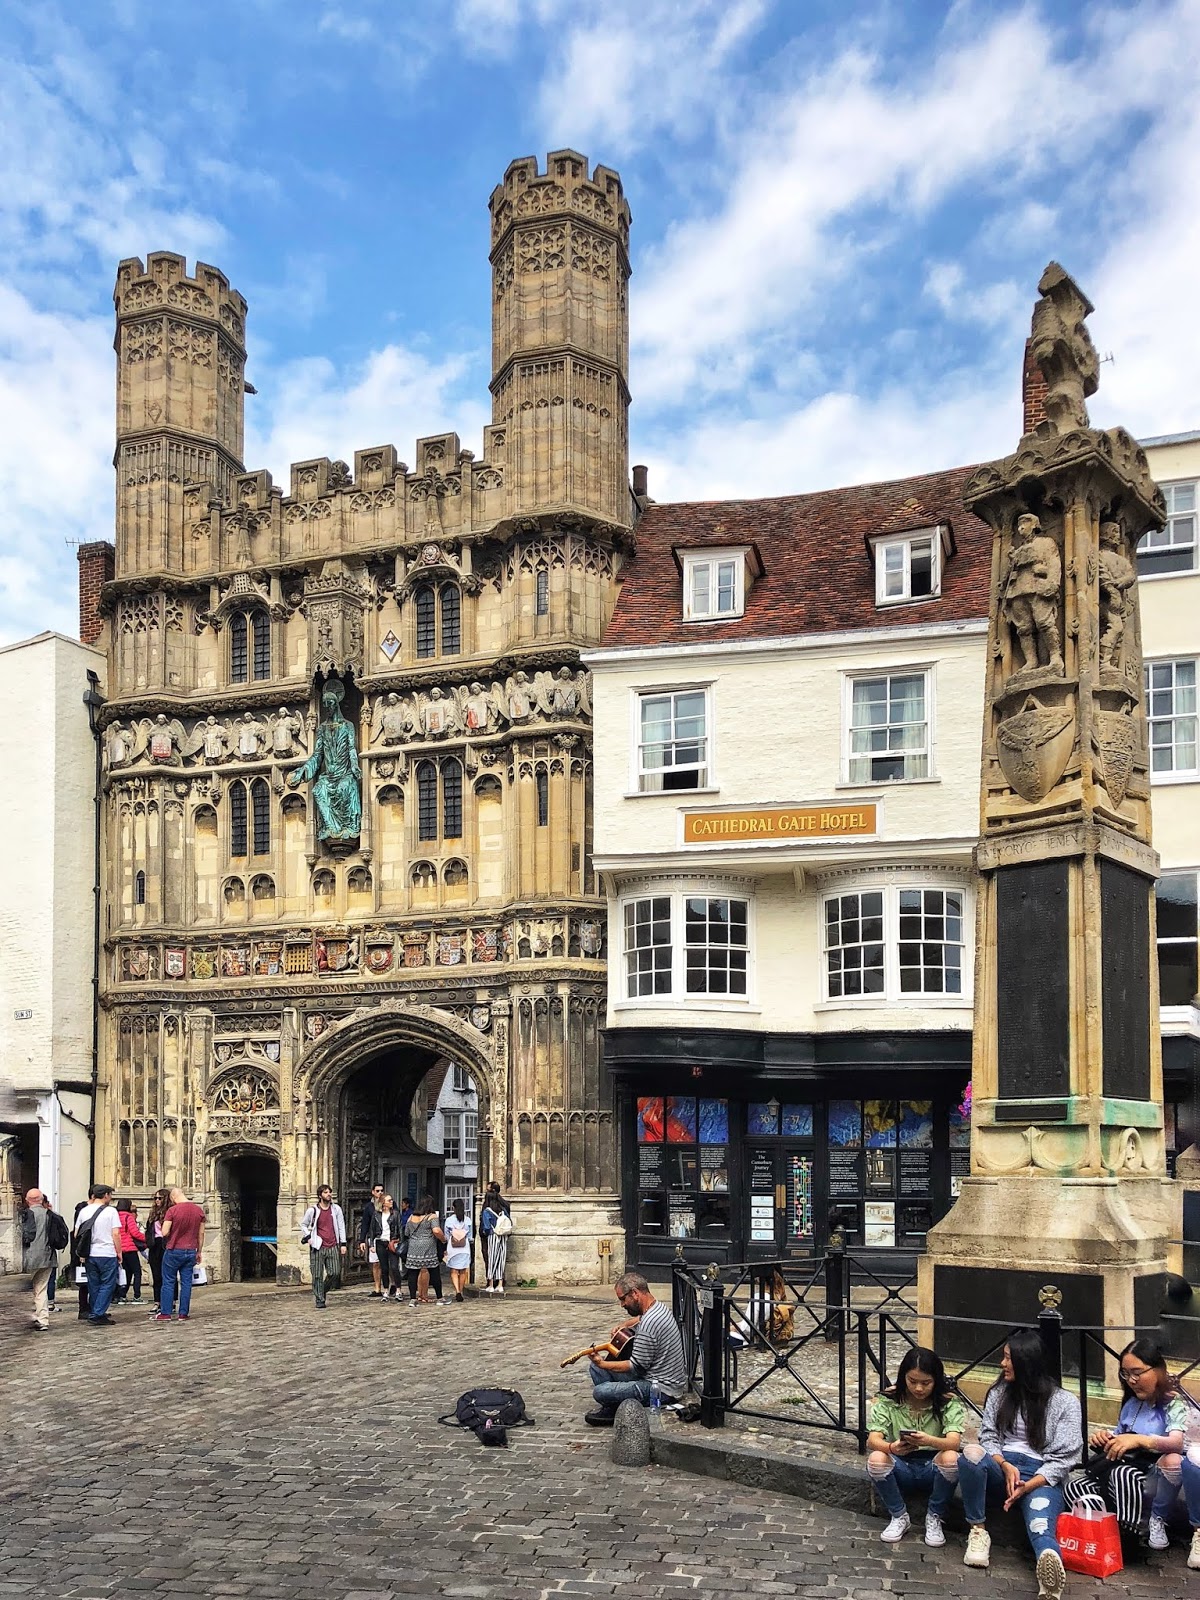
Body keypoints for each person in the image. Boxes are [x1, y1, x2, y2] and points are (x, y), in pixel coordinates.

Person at [957, 1329, 1082, 1598]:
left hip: (1040, 1475)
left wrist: (1029, 1485)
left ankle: (1048, 1562)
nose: (1002, 1365)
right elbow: (988, 1435)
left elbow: (1065, 1457)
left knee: (1040, 1521)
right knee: (970, 1455)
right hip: (1001, 1467)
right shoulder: (999, 1393)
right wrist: (1003, 1464)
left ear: (1027, 1362)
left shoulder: (1065, 1402)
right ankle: (978, 1531)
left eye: (1008, 1359)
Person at [1063, 1337, 1185, 1547]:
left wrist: (1140, 1440)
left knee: (1123, 1475)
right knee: (1075, 1486)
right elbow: (1120, 1434)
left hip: (1153, 1475)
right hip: (1118, 1470)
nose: (1131, 1380)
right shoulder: (1131, 1404)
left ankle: (1128, 1537)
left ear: (1157, 1370)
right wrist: (1106, 1438)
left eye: (1137, 1373)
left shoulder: (1172, 1403)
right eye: (1125, 1374)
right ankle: (1101, 1534)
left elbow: (1177, 1443)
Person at [866, 1346, 965, 1546]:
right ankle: (899, 1515)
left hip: (933, 1466)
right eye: (912, 1381)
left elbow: (954, 1442)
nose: (919, 1388)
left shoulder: (948, 1403)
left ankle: (935, 1516)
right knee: (876, 1458)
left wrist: (929, 1440)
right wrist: (892, 1447)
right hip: (901, 1463)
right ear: (903, 1377)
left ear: (936, 1381)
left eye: (926, 1383)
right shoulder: (889, 1400)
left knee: (951, 1458)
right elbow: (872, 1440)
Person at [584, 1271, 687, 1427]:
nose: (622, 1304)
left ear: (635, 1293)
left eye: (623, 1299)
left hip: (661, 1389)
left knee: (600, 1391)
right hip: (656, 1378)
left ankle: (615, 1409)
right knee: (595, 1369)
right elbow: (640, 1318)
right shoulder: (657, 1308)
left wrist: (604, 1364)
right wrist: (625, 1324)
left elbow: (635, 1367)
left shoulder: (649, 1324)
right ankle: (615, 1407)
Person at [156, 1187, 206, 1324]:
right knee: (186, 1283)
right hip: (190, 1250)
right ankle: (183, 1313)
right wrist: (199, 1251)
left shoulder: (172, 1211)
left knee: (168, 1281)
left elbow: (165, 1232)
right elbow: (201, 1234)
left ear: (173, 1198)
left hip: (174, 1249)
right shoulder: (198, 1211)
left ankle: (165, 1312)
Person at [21, 1188, 67, 1332]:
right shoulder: (52, 1215)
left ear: (28, 1200)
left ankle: (31, 1317)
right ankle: (42, 1320)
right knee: (41, 1289)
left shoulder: (24, 1216)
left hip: (27, 1258)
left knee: (22, 1291)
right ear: (42, 1200)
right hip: (47, 1257)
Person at [82, 1184, 123, 1327]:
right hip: (106, 1252)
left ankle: (97, 1310)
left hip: (90, 1253)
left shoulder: (84, 1211)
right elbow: (116, 1233)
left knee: (94, 1284)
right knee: (108, 1284)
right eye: (110, 1195)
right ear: (105, 1195)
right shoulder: (111, 1211)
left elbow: (77, 1233)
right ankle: (97, 1313)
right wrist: (119, 1251)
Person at [301, 1184, 346, 1309]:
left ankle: (322, 1291)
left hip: (332, 1244)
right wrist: (309, 1237)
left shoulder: (336, 1209)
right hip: (318, 1246)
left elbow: (341, 1226)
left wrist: (343, 1243)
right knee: (317, 1274)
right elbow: (303, 1224)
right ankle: (320, 1299)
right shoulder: (313, 1210)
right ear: (320, 1195)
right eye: (326, 1192)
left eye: (330, 1192)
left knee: (335, 1272)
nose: (329, 1195)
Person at [404, 1194, 445, 1304]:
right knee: (434, 1271)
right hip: (428, 1247)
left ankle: (413, 1298)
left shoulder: (411, 1217)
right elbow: (436, 1230)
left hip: (413, 1248)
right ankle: (440, 1298)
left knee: (413, 1273)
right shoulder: (432, 1217)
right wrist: (443, 1239)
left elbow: (406, 1232)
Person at [114, 1198, 146, 1305]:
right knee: (137, 1272)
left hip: (119, 1249)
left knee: (125, 1273)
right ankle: (137, 1296)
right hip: (130, 1248)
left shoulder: (114, 1216)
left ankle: (122, 1295)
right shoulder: (128, 1217)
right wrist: (146, 1238)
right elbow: (135, 1233)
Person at [371, 1194, 403, 1301]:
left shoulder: (395, 1214)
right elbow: (372, 1230)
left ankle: (398, 1290)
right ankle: (386, 1290)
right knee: (384, 1268)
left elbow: (400, 1228)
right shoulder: (376, 1215)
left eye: (391, 1200)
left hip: (392, 1242)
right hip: (381, 1242)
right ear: (383, 1202)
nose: (391, 1202)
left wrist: (400, 1241)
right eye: (389, 1200)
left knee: (394, 1267)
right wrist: (372, 1244)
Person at [481, 1184, 511, 1295]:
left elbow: (487, 1227)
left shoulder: (487, 1211)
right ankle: (500, 1284)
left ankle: (491, 1284)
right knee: (501, 1259)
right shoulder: (503, 1209)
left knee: (492, 1259)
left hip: (493, 1235)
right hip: (503, 1235)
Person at [146, 1188, 171, 1309]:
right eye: (155, 1198)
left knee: (167, 1274)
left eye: (159, 1198)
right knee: (156, 1275)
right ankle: (157, 1301)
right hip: (154, 1245)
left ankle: (170, 1301)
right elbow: (148, 1230)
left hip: (165, 1244)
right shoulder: (153, 1213)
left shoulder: (170, 1212)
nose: (157, 1200)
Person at [359, 1182, 385, 1297]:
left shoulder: (388, 1204)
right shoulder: (369, 1207)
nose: (380, 1193)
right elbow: (365, 1224)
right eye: (378, 1191)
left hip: (386, 1236)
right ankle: (377, 1287)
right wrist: (361, 1240)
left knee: (388, 1263)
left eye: (381, 1191)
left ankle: (392, 1285)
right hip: (374, 1237)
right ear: (373, 1192)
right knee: (376, 1263)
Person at [444, 1198, 472, 1302]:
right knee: (463, 1270)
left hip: (453, 1247)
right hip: (464, 1247)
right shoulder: (467, 1220)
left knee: (454, 1270)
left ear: (453, 1208)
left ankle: (457, 1291)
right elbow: (469, 1236)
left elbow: (446, 1235)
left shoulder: (449, 1220)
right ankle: (460, 1290)